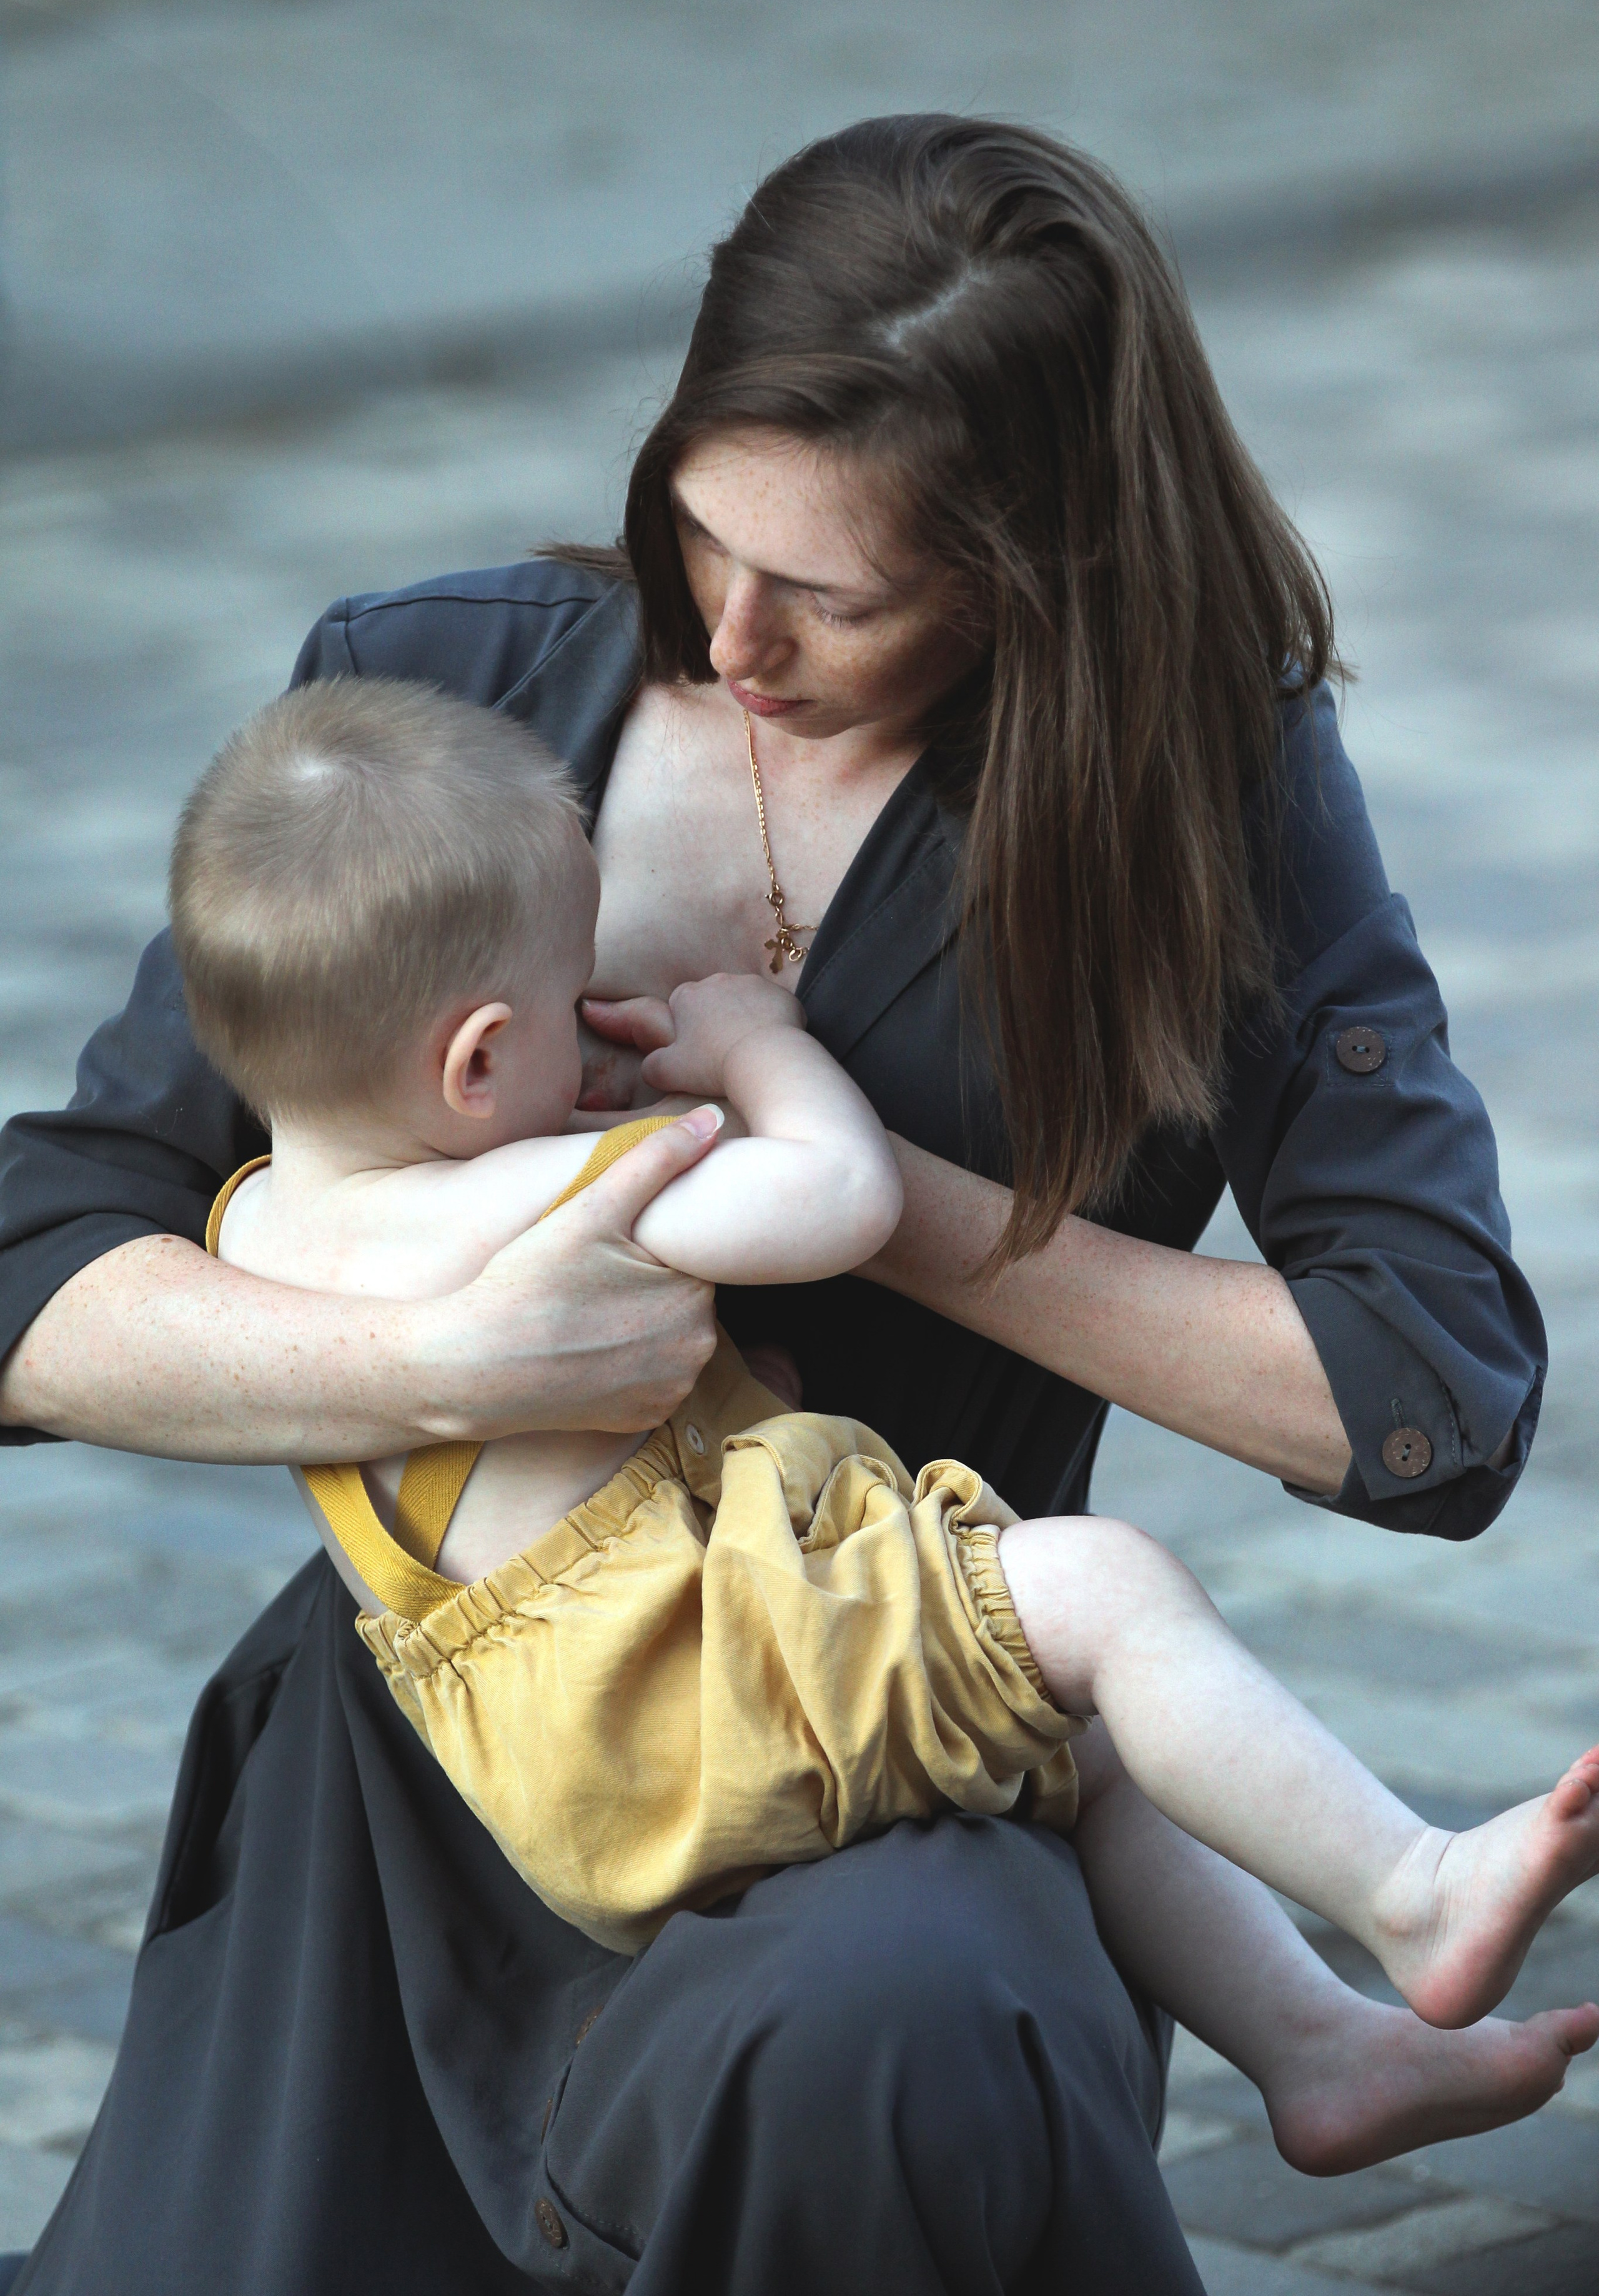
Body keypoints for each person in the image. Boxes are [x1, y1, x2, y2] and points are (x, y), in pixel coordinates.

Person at [0, 116, 1552, 2294]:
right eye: (698, 532)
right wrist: (429, 1359)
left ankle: (1296, 2022)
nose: (731, 637)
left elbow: (1429, 1399)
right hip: (436, 1736)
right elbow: (42, 1262)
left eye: (837, 595)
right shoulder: (442, 698)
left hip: (896, 1747)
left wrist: (896, 1207)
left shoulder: (1206, 800)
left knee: (886, 2027)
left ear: (1043, 569)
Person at [176, 675, 1599, 2055]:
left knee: (1073, 1725)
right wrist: (755, 1049)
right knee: (1105, 1592)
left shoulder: (247, 1231)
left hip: (583, 1774)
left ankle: (1315, 2055)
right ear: (477, 1064)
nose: (598, 1040)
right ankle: (1405, 1892)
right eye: (571, 1006)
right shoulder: (576, 1188)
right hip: (712, 1707)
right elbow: (837, 1200)